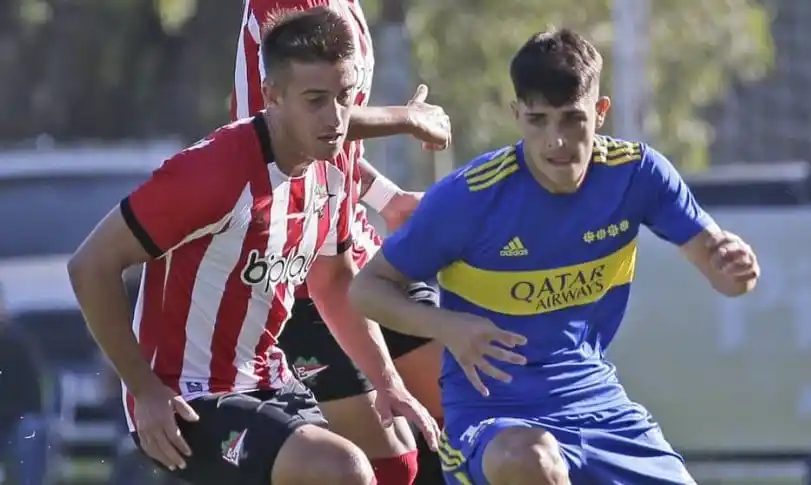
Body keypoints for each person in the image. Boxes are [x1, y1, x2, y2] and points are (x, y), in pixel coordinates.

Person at [349, 28, 761, 485]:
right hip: (494, 420)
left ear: (600, 112)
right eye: (538, 120)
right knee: (533, 461)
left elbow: (726, 275)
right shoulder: (470, 196)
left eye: (571, 119)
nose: (555, 141)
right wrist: (446, 326)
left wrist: (735, 268)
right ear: (516, 114)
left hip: (599, 406)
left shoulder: (637, 175)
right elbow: (367, 288)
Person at [67, 8, 437, 485]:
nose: (336, 118)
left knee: (400, 464)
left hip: (269, 379)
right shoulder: (214, 174)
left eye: (345, 98)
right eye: (316, 100)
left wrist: (388, 384)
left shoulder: (330, 167)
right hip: (189, 400)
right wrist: (144, 389)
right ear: (273, 96)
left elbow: (334, 281)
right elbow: (90, 265)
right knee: (340, 470)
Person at [233, 2, 448, 484]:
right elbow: (284, 132)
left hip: (352, 246)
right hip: (298, 269)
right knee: (392, 463)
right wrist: (406, 118)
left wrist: (385, 197)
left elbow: (328, 138)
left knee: (463, 412)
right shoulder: (284, 9)